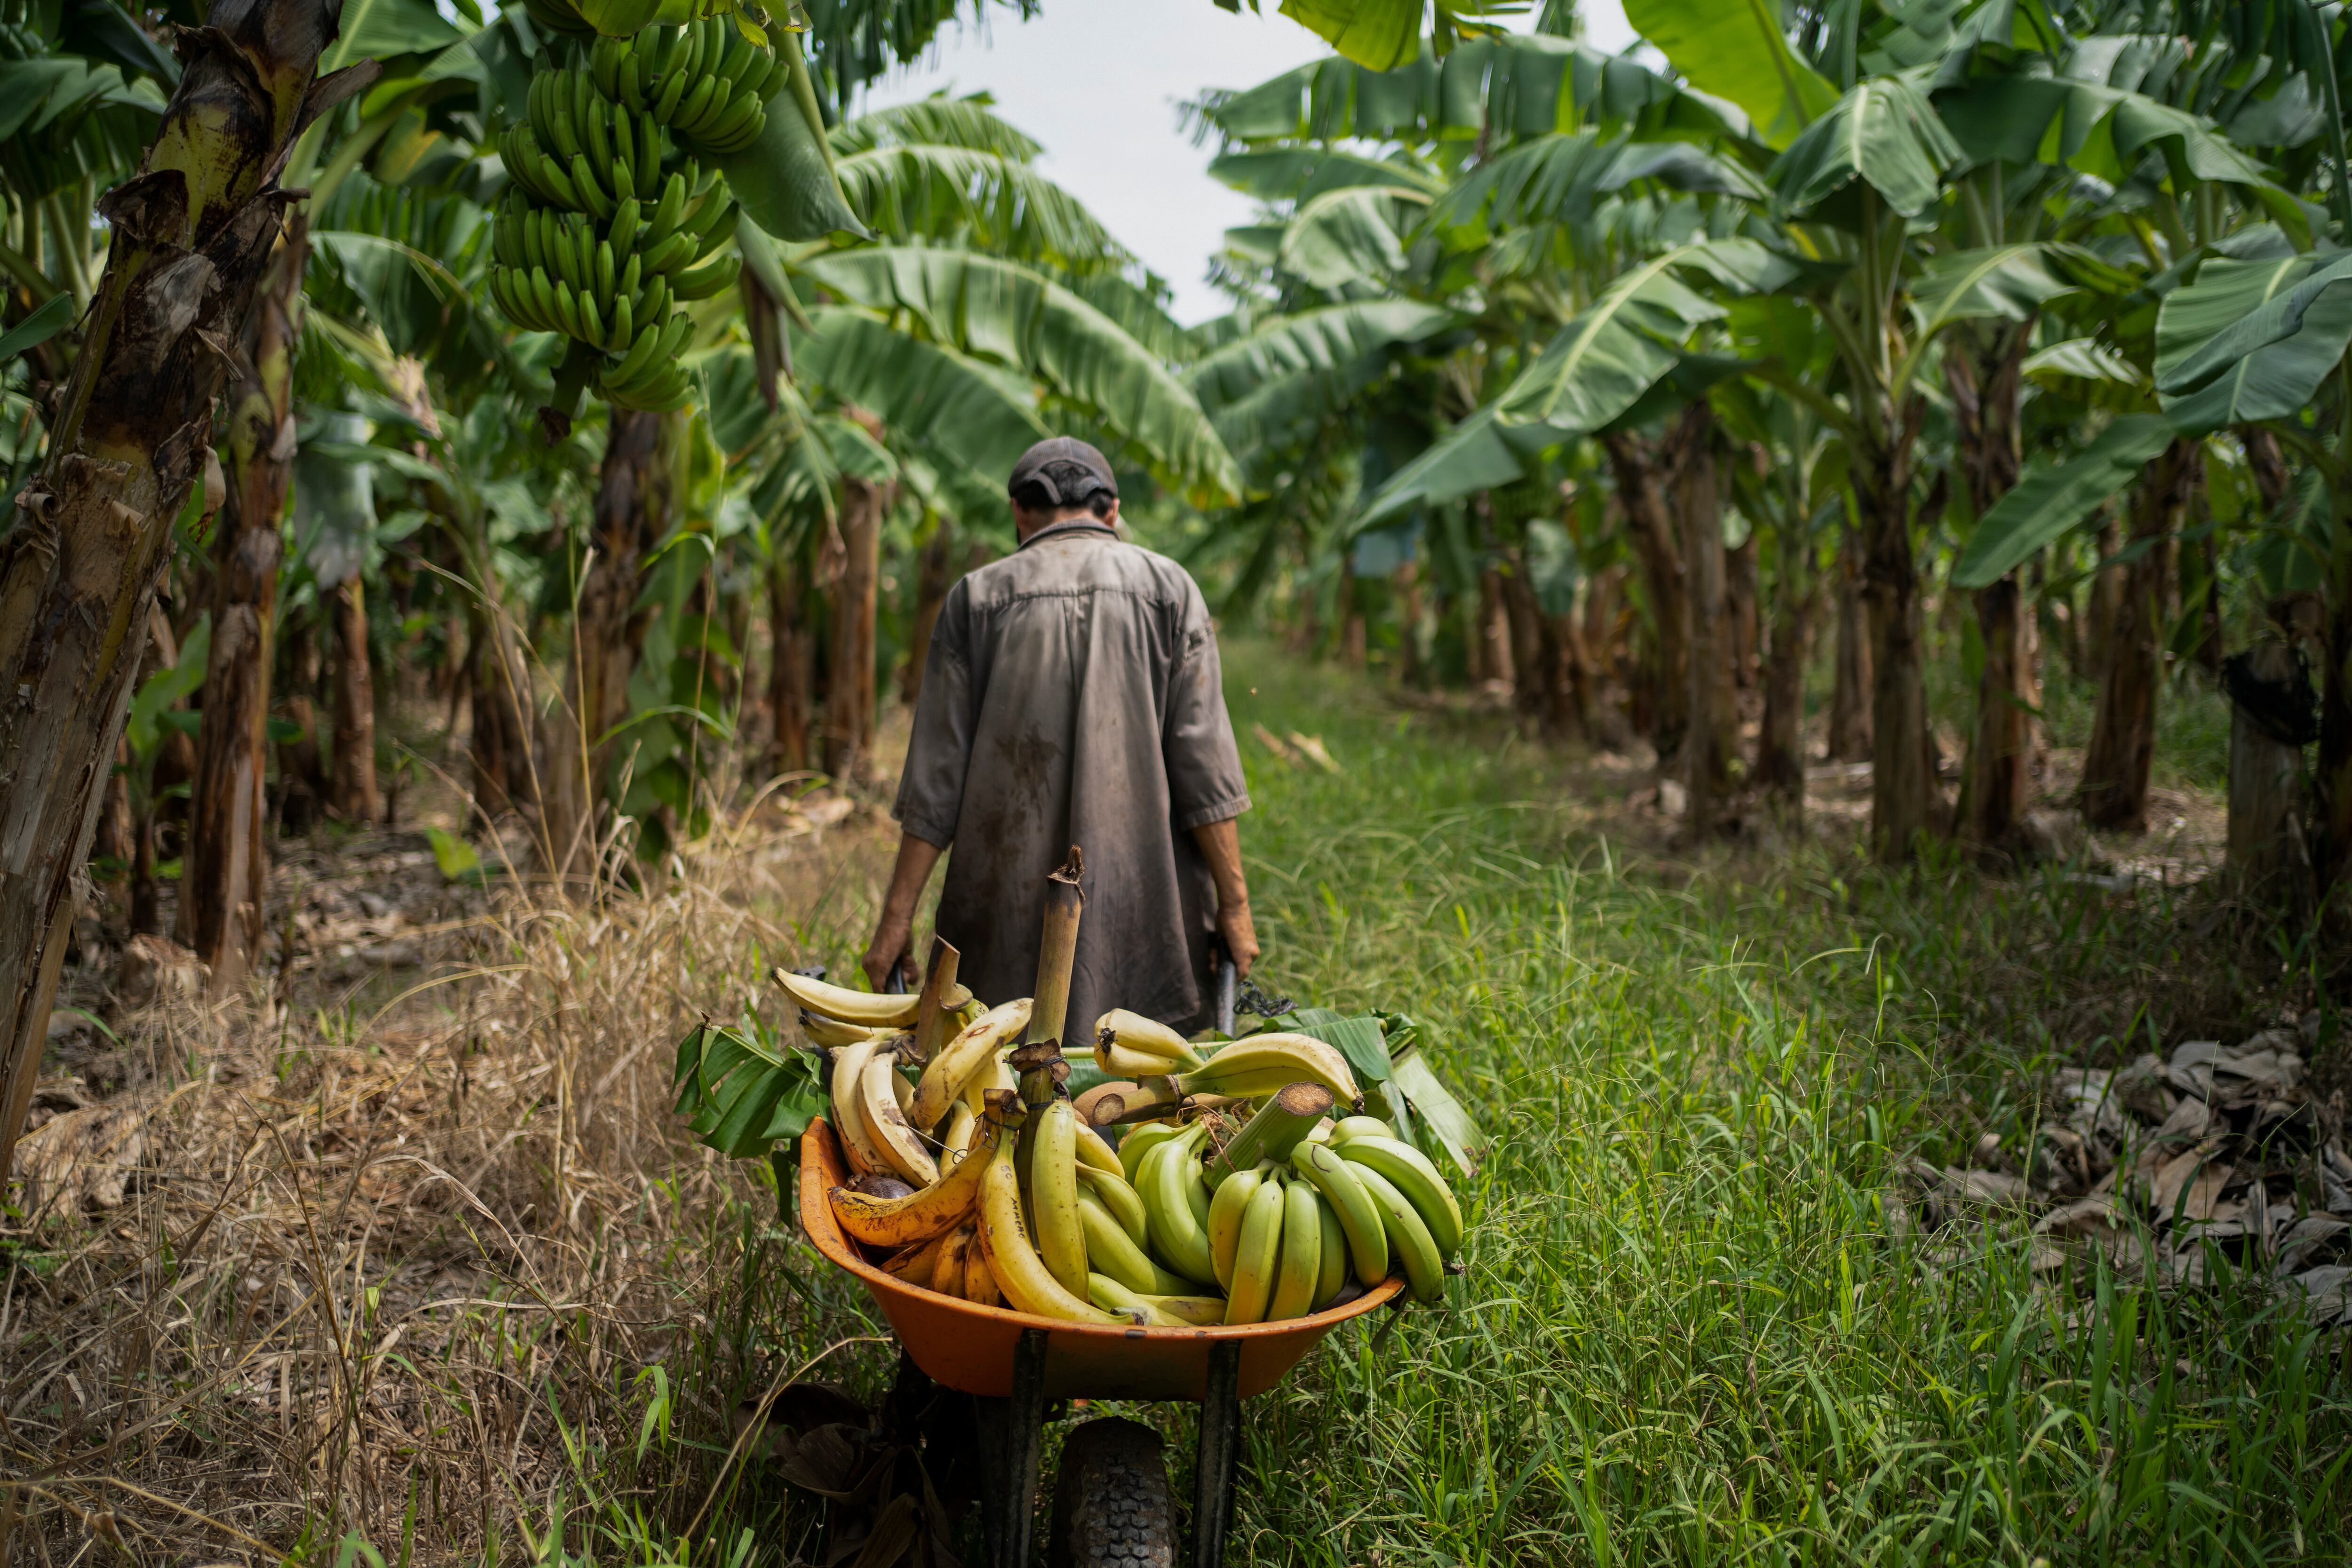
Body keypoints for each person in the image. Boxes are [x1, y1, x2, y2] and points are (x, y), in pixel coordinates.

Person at [861, 437, 1257, 1039]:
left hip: (1001, 916)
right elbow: (1205, 771)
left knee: (991, 1091)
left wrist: (896, 920)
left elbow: (933, 786)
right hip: (1141, 915)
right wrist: (1235, 906)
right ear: (1113, 510)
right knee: (1136, 1090)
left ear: (1020, 513)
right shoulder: (1170, 590)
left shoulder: (975, 599)